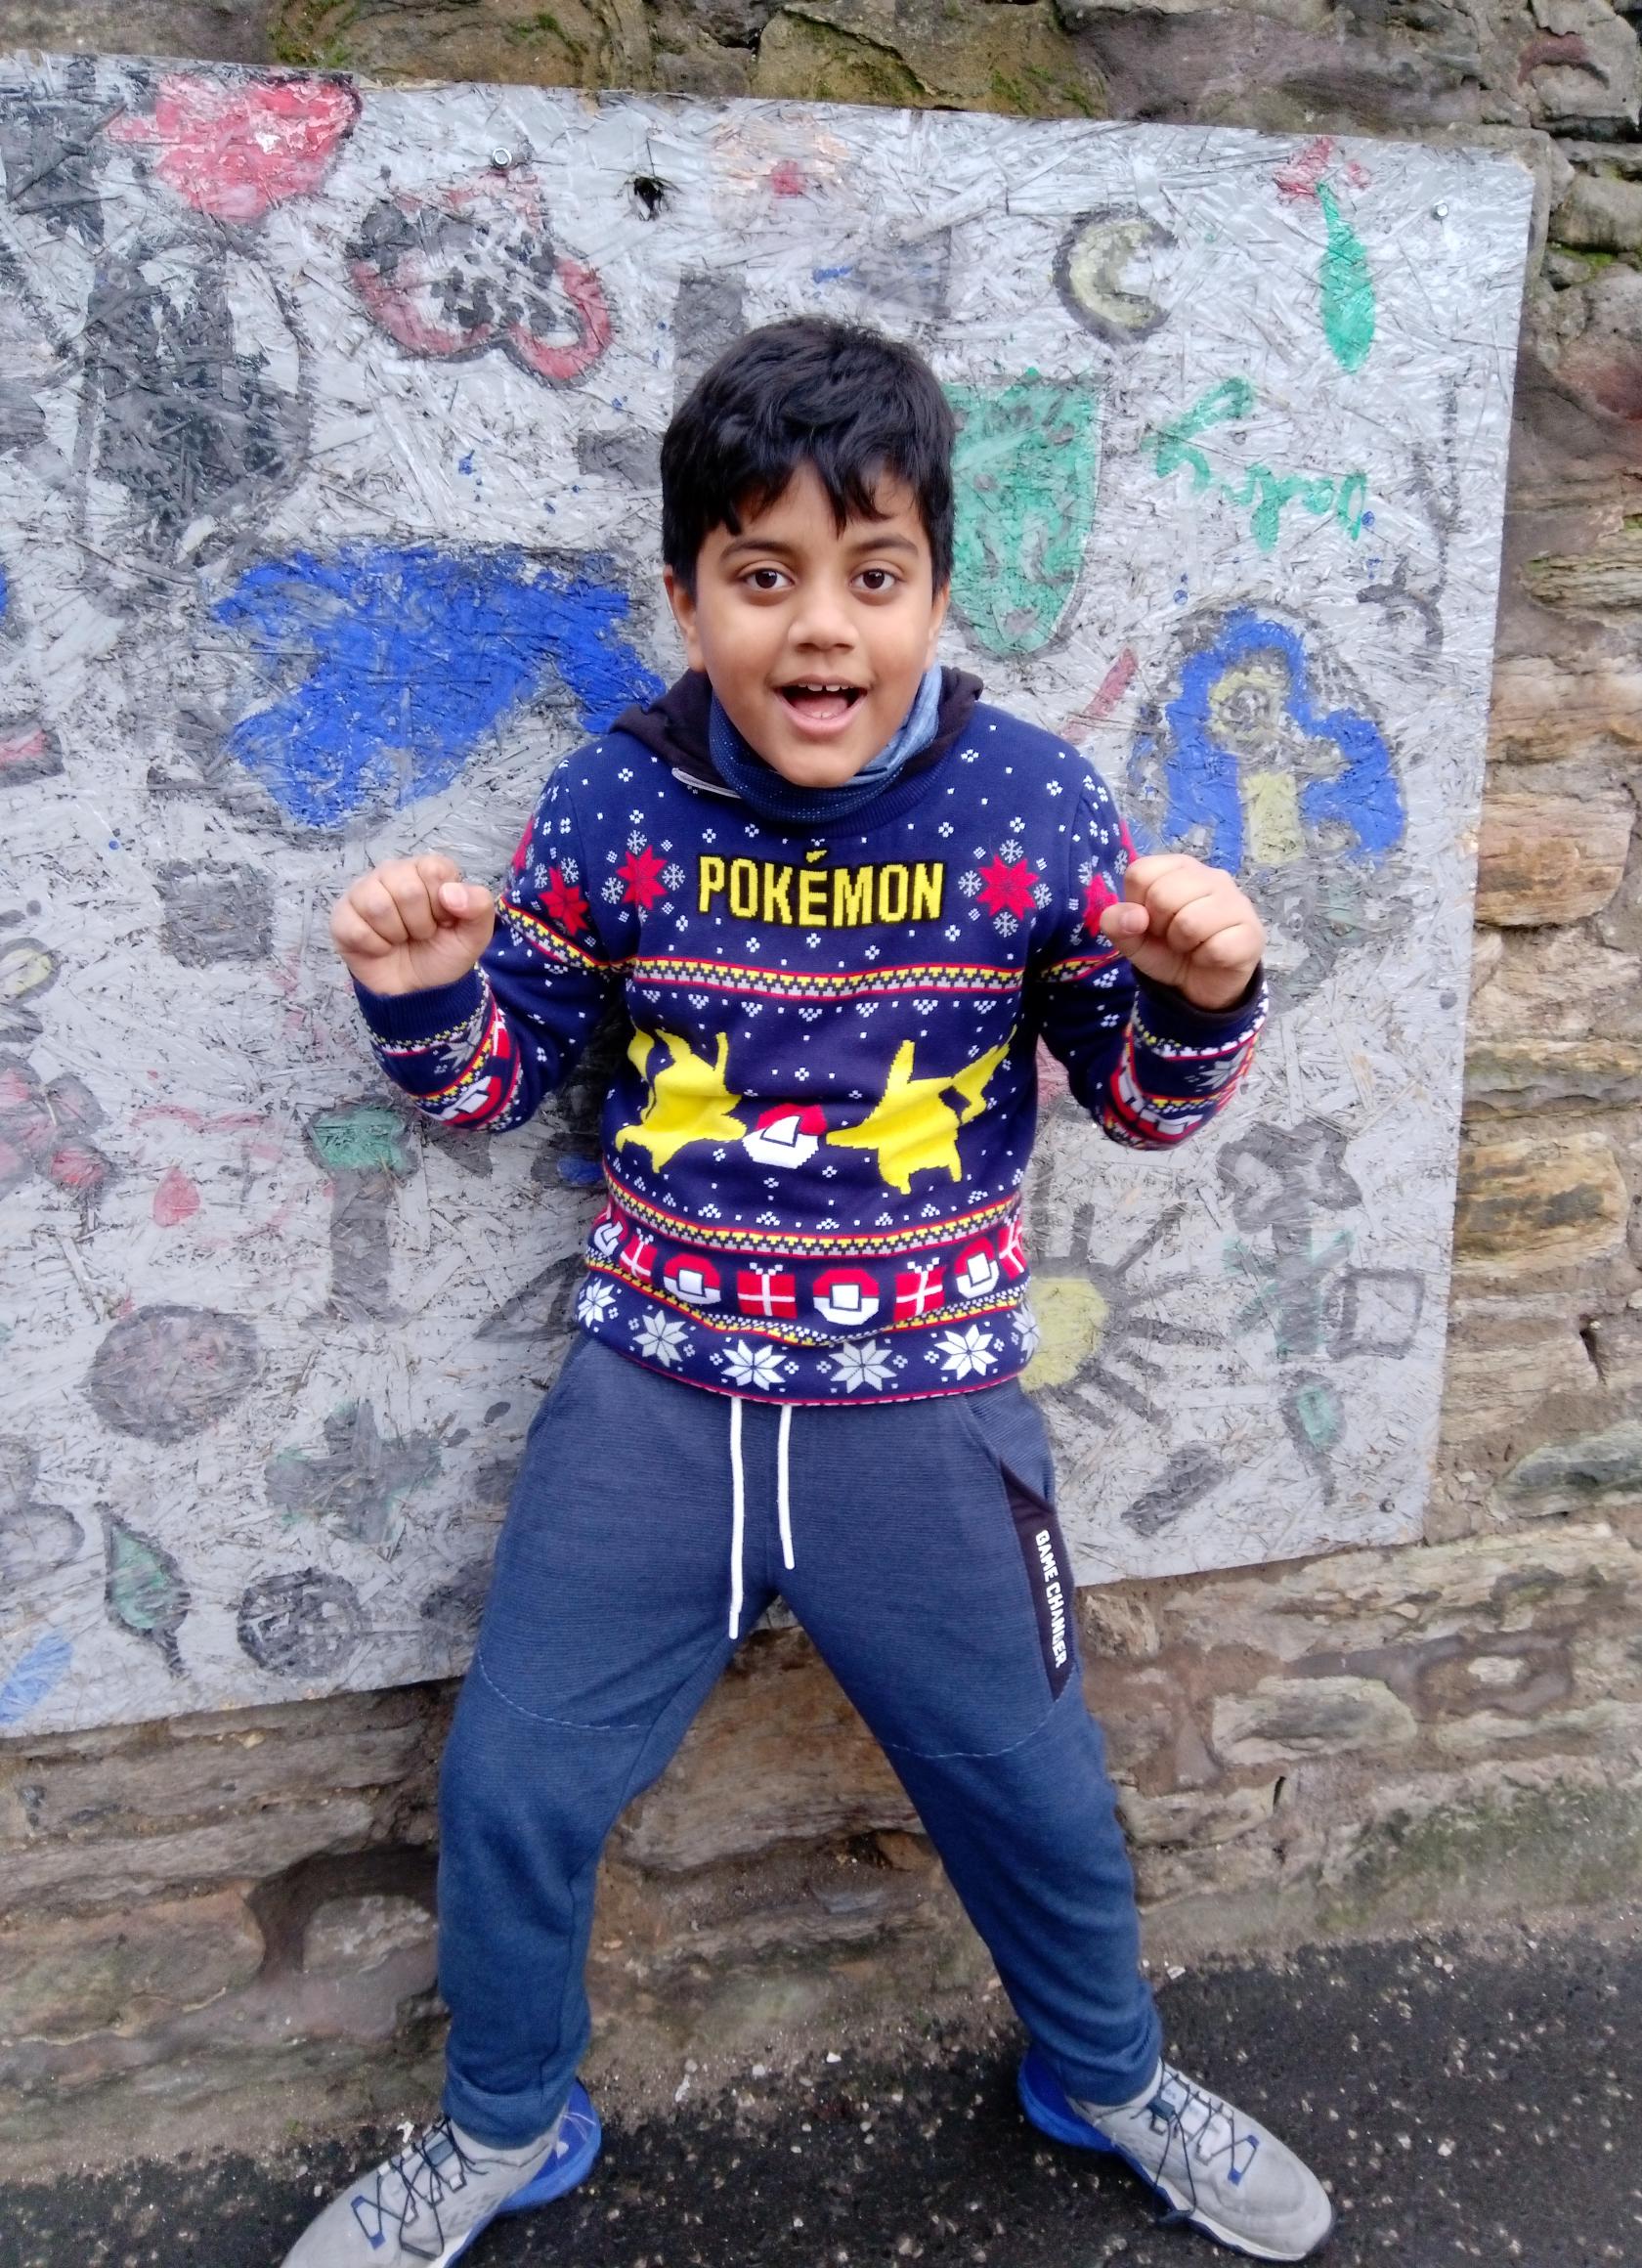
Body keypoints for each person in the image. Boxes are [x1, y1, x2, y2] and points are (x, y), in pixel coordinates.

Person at [286, 318, 1331, 2267]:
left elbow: (1137, 1101)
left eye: (873, 574)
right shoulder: (611, 804)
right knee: (512, 1780)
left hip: (926, 1420)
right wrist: (420, 995)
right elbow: (495, 1087)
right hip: (651, 1405)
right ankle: (505, 2122)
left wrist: (1200, 993)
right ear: (686, 595)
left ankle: (1104, 2076)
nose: (820, 627)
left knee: (1037, 1789)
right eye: (760, 576)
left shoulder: (1033, 806)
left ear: (936, 589)